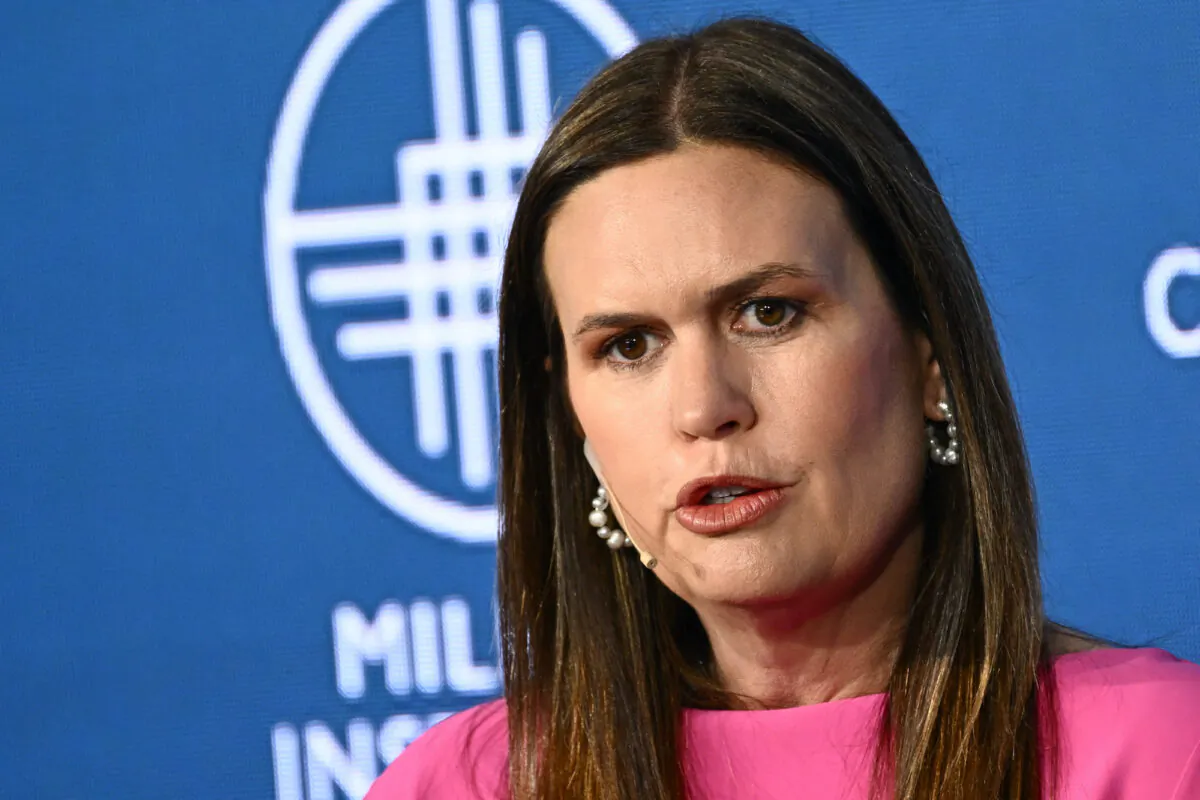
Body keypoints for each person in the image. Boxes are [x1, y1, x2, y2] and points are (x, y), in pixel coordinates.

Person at [367, 16, 1200, 800]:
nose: (705, 407)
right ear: (570, 415)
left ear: (930, 357)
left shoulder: (1158, 753)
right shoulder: (464, 784)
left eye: (768, 313)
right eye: (629, 345)